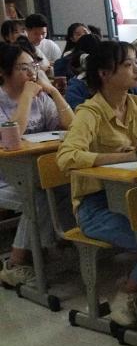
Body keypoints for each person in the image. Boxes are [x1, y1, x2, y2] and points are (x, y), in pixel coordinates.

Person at [55, 41, 137, 326]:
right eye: (127, 65)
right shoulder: (90, 112)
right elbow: (66, 157)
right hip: (96, 207)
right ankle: (129, 291)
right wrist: (119, 157)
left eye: (135, 62)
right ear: (104, 74)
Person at [0, 43, 74, 288]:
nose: (31, 73)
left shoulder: (40, 97)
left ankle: (53, 244)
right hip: (6, 177)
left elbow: (72, 126)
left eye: (33, 66)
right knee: (40, 195)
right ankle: (15, 264)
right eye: (23, 68)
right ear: (4, 72)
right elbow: (11, 137)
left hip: (34, 173)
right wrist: (26, 97)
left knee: (67, 186)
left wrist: (53, 92)